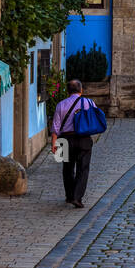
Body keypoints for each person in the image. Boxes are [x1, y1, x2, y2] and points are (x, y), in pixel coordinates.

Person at [50, 79, 94, 208]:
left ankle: (69, 196)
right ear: (81, 90)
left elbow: (55, 127)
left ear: (68, 91)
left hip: (65, 139)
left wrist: (53, 143)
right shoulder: (89, 102)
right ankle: (77, 197)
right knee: (83, 168)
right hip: (84, 139)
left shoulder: (61, 105)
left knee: (67, 168)